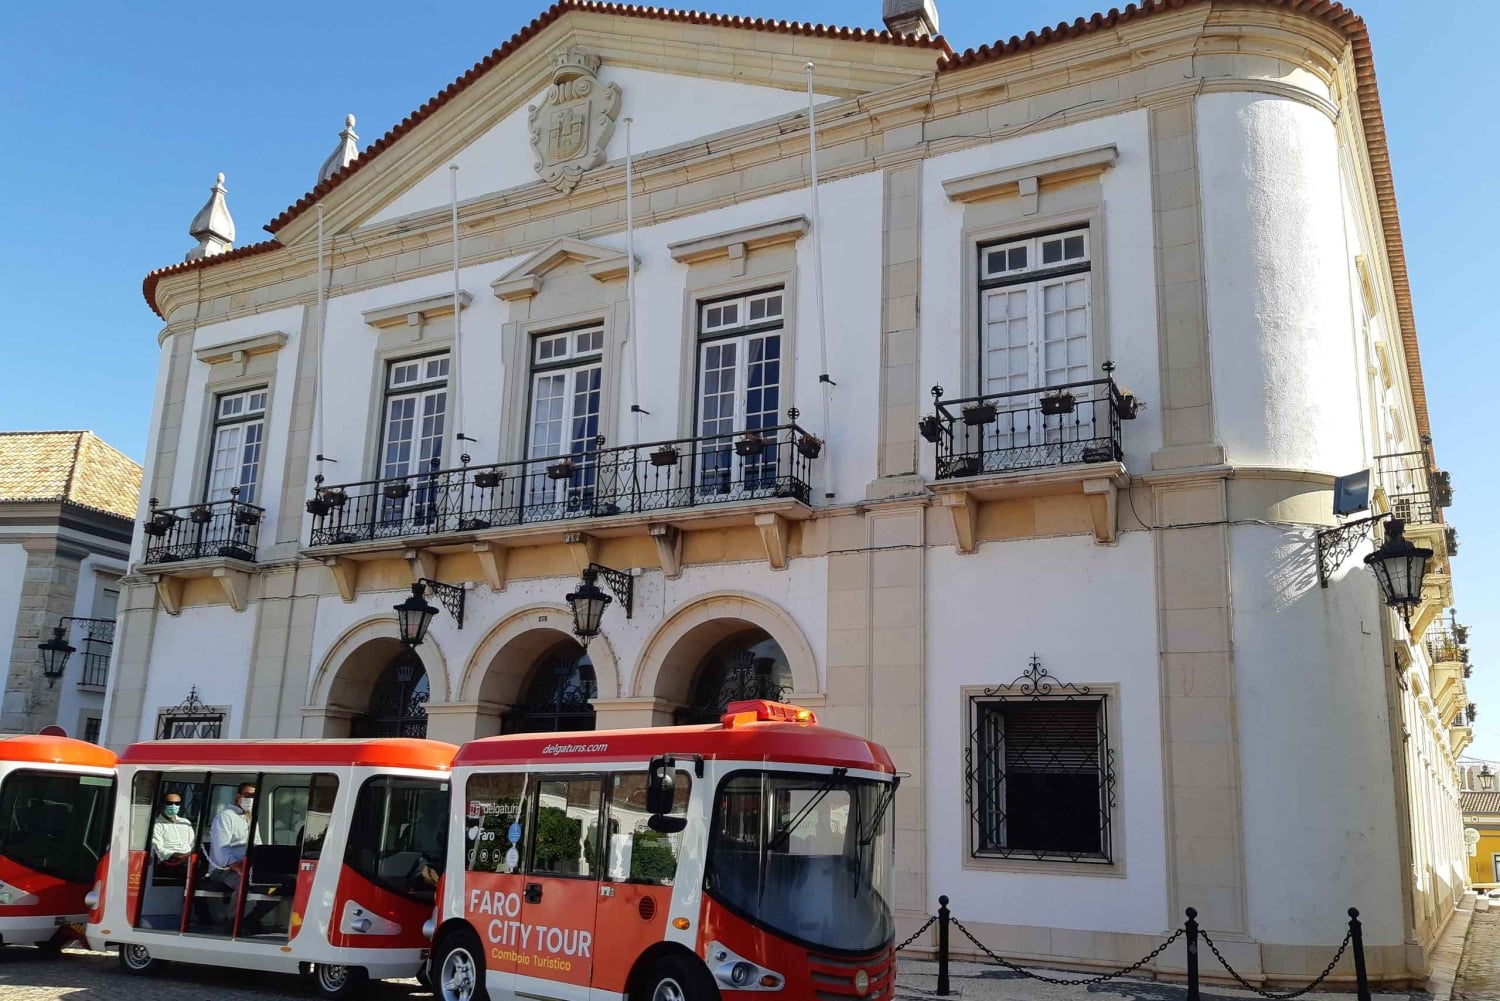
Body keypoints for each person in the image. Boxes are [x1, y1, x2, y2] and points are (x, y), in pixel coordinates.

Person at [206, 783, 276, 935]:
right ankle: (232, 921)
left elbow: (258, 845)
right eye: (247, 795)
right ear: (238, 796)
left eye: (254, 796)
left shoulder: (252, 818)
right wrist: (238, 867)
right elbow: (221, 849)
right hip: (223, 869)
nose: (250, 799)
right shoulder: (225, 817)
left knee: (279, 886)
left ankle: (251, 920)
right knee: (245, 883)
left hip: (248, 867)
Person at [151, 792, 195, 867]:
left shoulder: (185, 822)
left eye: (177, 803)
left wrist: (190, 854)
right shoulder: (157, 825)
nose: (173, 806)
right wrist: (174, 855)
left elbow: (192, 843)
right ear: (162, 805)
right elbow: (158, 848)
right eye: (169, 803)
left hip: (189, 860)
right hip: (169, 862)